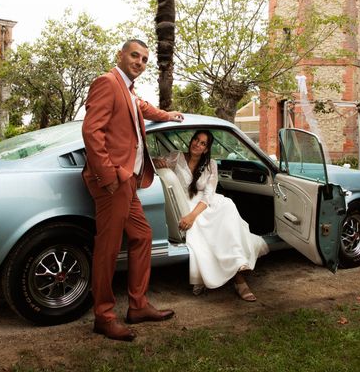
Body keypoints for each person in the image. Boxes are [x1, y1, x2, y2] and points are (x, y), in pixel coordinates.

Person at [82, 39, 184, 342]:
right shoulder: (107, 82)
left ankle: (138, 306)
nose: (139, 62)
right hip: (114, 182)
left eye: (143, 59)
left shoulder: (127, 90)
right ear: (120, 55)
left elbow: (142, 108)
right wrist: (110, 176)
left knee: (142, 236)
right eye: (134, 56)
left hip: (129, 183)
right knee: (108, 249)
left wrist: (168, 115)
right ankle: (104, 316)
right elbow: (91, 131)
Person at [154, 130, 269, 301]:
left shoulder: (211, 165)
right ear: (191, 141)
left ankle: (237, 262)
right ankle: (238, 276)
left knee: (228, 206)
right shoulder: (176, 156)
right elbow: (151, 163)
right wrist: (156, 161)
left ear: (206, 149)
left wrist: (192, 216)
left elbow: (208, 195)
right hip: (184, 202)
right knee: (205, 227)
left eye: (202, 143)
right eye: (195, 140)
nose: (197, 144)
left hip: (204, 203)